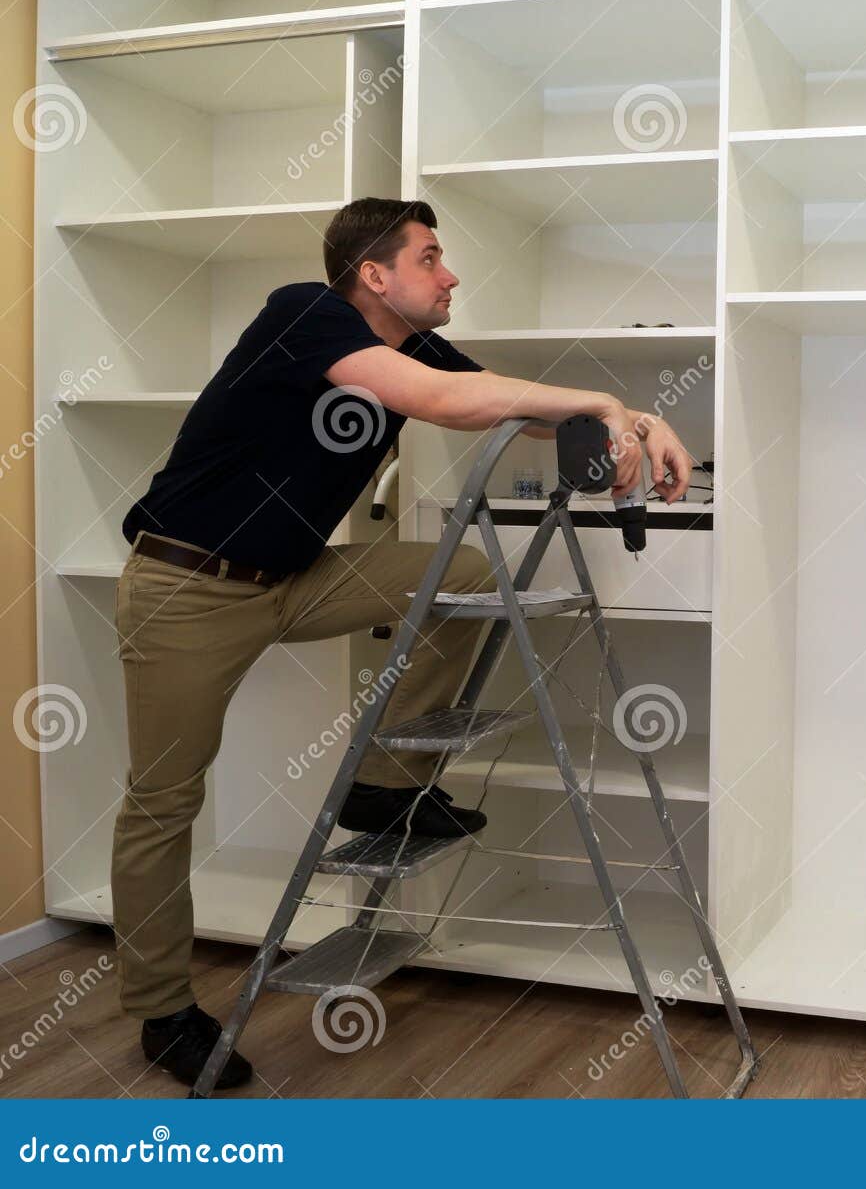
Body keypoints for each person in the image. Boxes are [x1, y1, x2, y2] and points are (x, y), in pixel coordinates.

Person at [112, 197, 693, 1090]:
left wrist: (641, 423)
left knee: (464, 572)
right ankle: (161, 1011)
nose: (450, 273)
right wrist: (604, 399)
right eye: (431, 258)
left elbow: (518, 411)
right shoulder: (306, 312)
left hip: (293, 578)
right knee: (163, 800)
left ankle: (384, 788)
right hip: (188, 588)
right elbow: (449, 404)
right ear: (375, 275)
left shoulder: (411, 346)